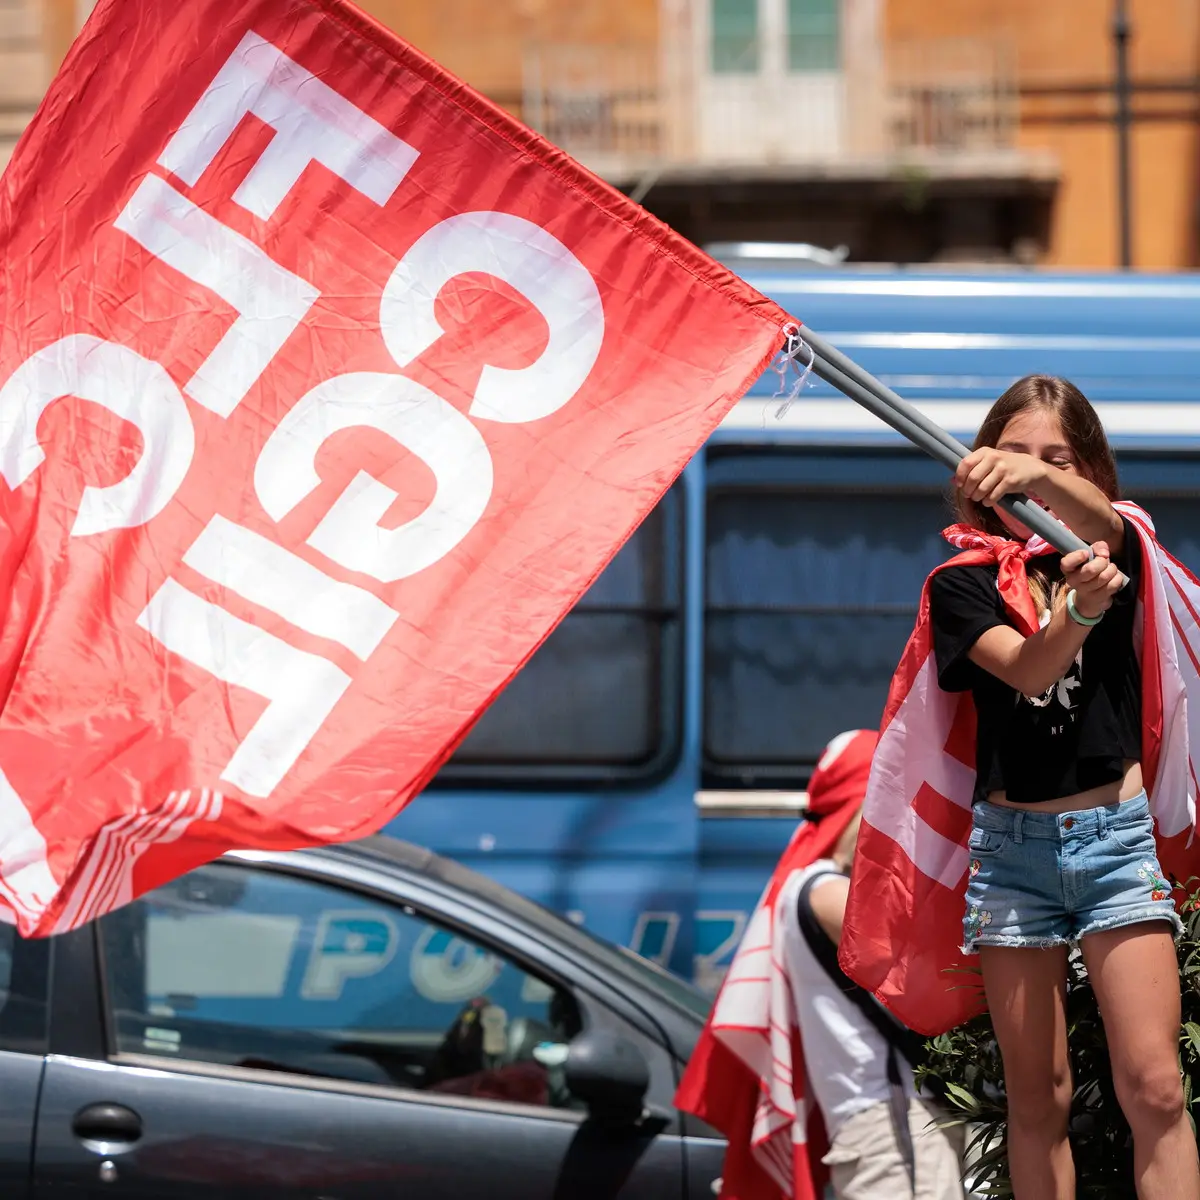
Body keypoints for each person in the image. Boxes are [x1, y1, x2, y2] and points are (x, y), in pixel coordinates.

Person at [842, 374, 1199, 1200]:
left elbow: (1105, 517)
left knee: (1154, 1087)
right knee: (1037, 1101)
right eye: (1010, 455)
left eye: (1057, 459)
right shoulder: (959, 584)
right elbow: (1032, 670)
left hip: (1116, 840)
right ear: (974, 473)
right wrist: (1075, 614)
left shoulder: (1120, 550)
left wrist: (1037, 480)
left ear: (1089, 473)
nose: (1030, 475)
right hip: (1012, 857)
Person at [675, 728, 965, 1200]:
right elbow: (922, 954)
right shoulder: (823, 890)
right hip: (896, 1125)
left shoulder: (805, 886)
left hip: (889, 1127)